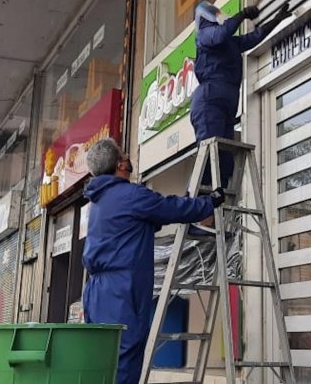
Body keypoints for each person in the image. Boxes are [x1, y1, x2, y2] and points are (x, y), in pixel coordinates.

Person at [81, 138, 222, 384]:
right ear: (119, 164)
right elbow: (168, 208)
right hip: (122, 291)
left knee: (103, 360)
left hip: (98, 291)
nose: (127, 158)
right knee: (124, 359)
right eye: (124, 154)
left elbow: (150, 218)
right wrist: (209, 202)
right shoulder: (129, 195)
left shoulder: (99, 201)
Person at [190, 1, 291, 189]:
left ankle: (213, 210)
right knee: (208, 161)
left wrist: (275, 21)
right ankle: (190, 203)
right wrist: (242, 14)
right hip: (209, 102)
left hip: (226, 104)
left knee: (225, 163)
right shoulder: (204, 36)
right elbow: (220, 35)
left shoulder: (229, 42)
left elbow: (253, 38)